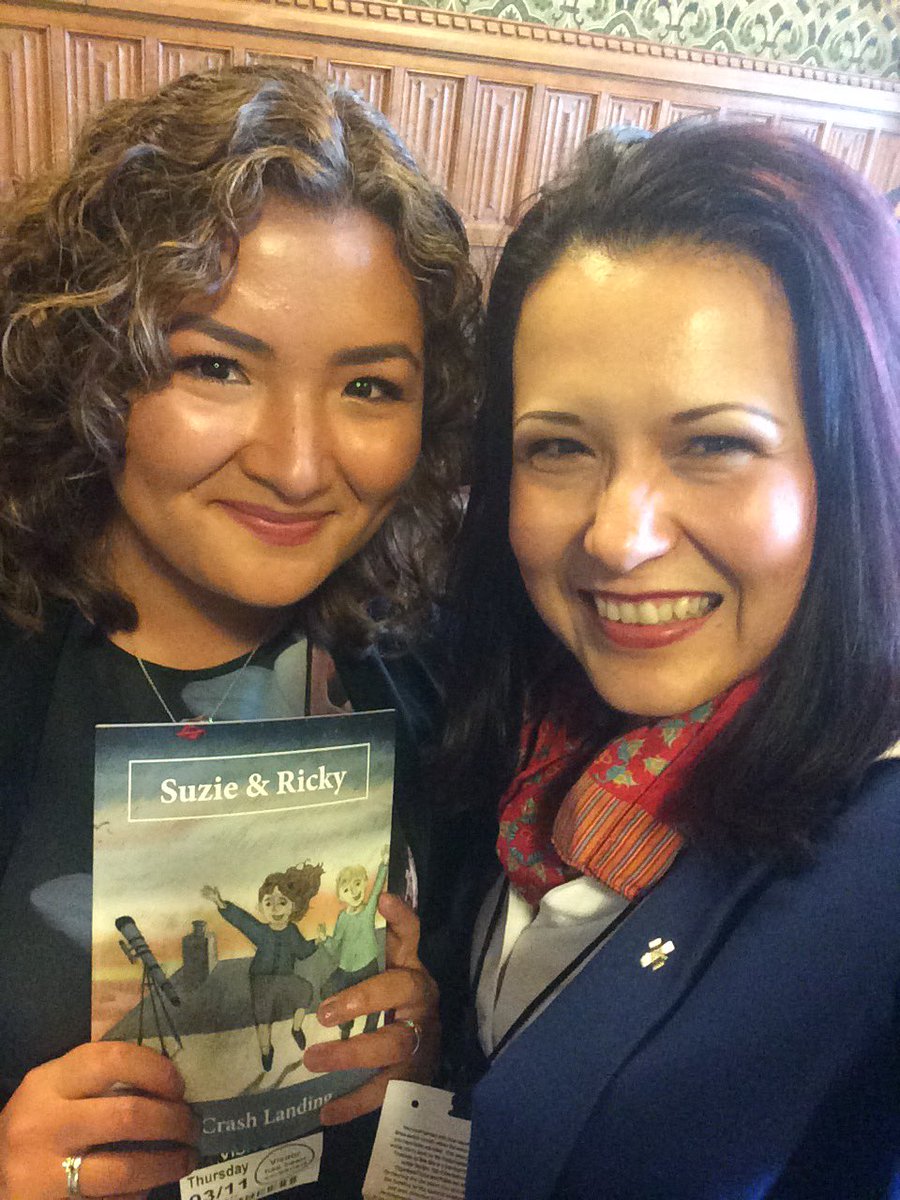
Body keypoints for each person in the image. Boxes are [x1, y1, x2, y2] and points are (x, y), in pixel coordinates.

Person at [0, 65, 481, 1200]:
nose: (299, 464)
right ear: (91, 363)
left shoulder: (433, 679)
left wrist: (420, 1051)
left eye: (369, 388)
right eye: (216, 365)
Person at [441, 121, 900, 1198]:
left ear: (854, 462)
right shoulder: (538, 724)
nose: (617, 535)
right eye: (560, 447)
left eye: (714, 445)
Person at [202, 863, 325, 1068]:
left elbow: (302, 951)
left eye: (282, 902)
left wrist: (317, 942)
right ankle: (266, 1050)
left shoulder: (292, 931)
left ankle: (296, 1028)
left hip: (286, 978)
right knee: (263, 1017)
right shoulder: (261, 931)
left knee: (305, 990)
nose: (275, 908)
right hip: (261, 980)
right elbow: (242, 921)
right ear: (260, 908)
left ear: (292, 906)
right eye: (269, 903)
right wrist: (221, 903)